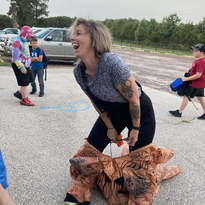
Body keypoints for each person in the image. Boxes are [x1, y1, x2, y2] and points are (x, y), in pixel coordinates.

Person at [64, 18, 181, 205]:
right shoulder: (79, 72)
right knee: (89, 151)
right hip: (112, 113)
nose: (72, 37)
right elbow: (95, 102)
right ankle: (82, 187)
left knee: (139, 166)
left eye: (78, 33)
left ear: (95, 39)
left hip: (139, 111)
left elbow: (134, 99)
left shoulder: (111, 63)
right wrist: (110, 127)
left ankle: (140, 196)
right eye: (73, 33)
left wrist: (135, 129)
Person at [169, 44, 205, 120]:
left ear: (201, 53)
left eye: (196, 51)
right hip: (200, 83)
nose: (193, 52)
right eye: (193, 50)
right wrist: (191, 70)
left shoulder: (201, 62)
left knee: (186, 95)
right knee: (201, 97)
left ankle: (179, 112)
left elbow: (198, 75)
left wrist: (186, 79)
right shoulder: (198, 59)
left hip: (196, 83)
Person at [12, 25, 35, 106]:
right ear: (24, 34)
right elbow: (15, 57)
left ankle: (19, 93)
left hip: (25, 65)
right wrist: (21, 67)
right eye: (29, 36)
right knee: (24, 82)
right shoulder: (17, 42)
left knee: (28, 80)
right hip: (19, 64)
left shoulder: (24, 41)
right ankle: (24, 99)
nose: (29, 38)